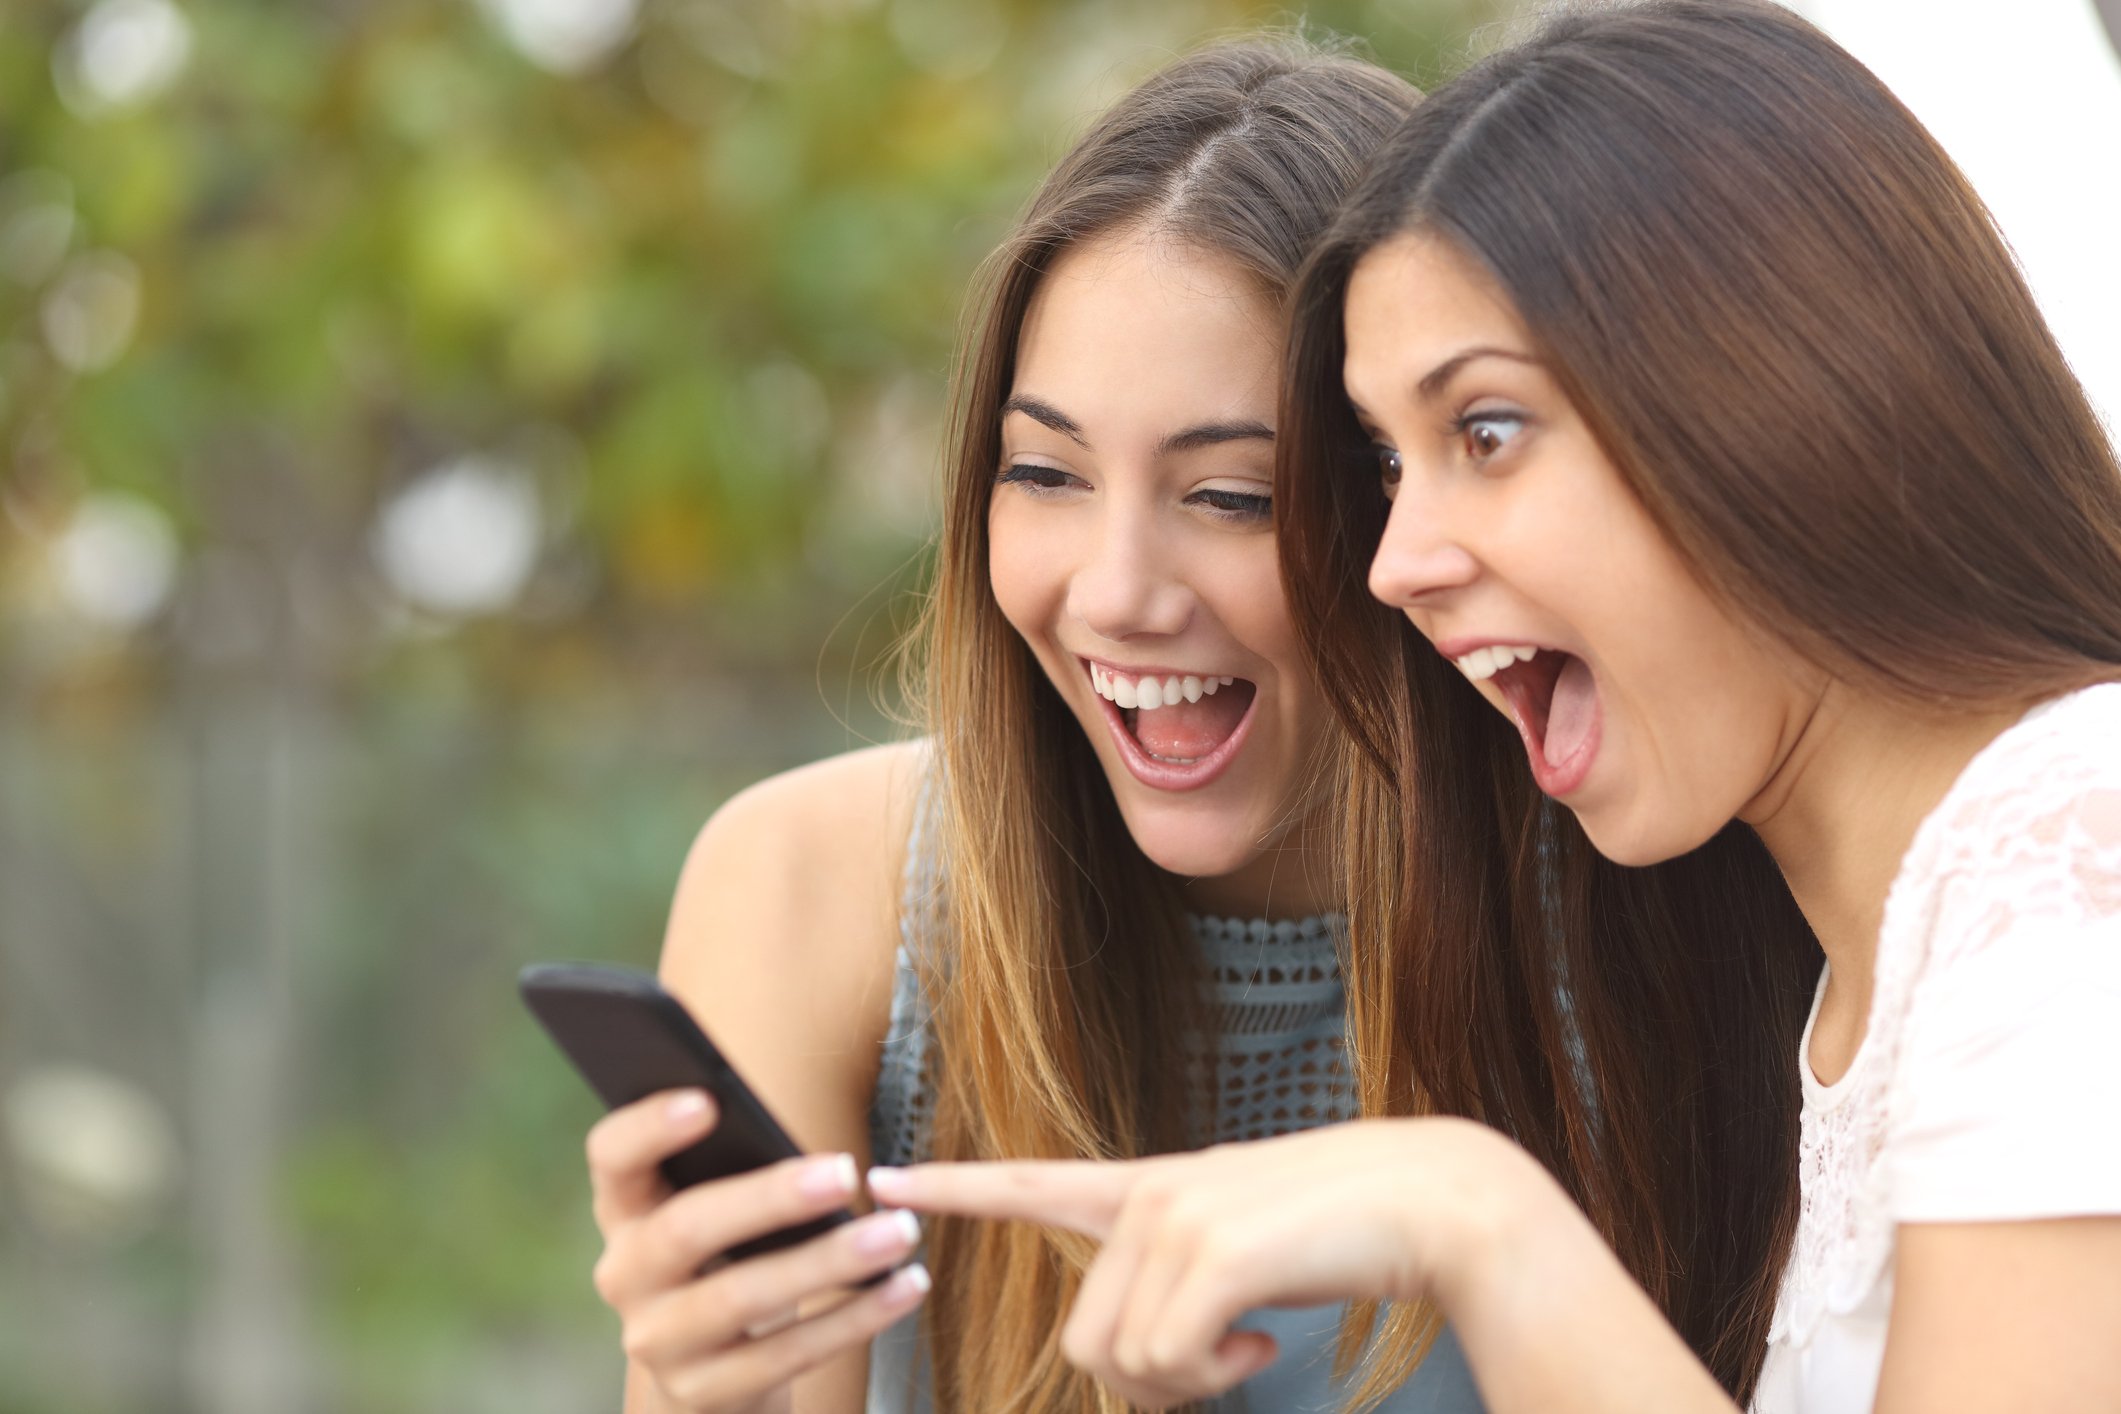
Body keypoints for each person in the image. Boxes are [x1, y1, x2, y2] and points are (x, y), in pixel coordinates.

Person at [869, 3, 2121, 1411]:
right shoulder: (1868, 973)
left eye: (1484, 431)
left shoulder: (2071, 851)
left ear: (1778, 395)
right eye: (1389, 471)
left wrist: (1479, 1217)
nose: (1393, 566)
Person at [577, 37, 1489, 1414]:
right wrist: (706, 1388)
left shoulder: (1618, 917)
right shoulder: (818, 887)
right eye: (1045, 473)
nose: (1112, 593)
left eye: (1231, 495)